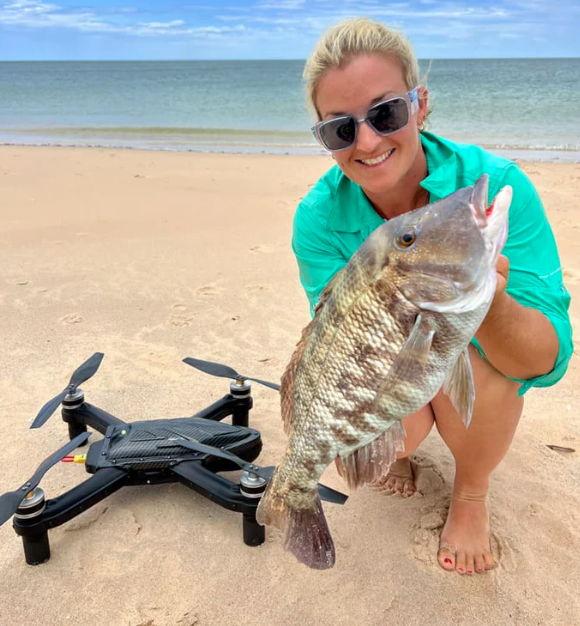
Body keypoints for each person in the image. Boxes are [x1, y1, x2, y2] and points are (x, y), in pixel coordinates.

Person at [292, 17, 573, 575]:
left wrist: (487, 300)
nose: (367, 141)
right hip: (388, 364)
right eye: (340, 130)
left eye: (386, 113)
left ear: (420, 104)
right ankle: (395, 456)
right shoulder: (318, 217)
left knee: (476, 351)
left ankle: (470, 492)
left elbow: (546, 360)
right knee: (397, 433)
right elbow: (339, 341)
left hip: (454, 346)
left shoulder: (489, 186)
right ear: (324, 138)